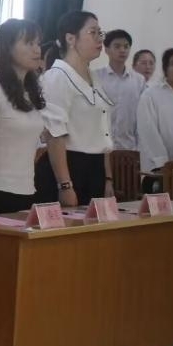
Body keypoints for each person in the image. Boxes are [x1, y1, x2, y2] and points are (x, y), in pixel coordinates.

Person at [36, 11, 112, 207]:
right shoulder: (57, 77)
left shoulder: (93, 77)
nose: (99, 39)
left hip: (94, 167)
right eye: (92, 32)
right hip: (70, 167)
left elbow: (101, 132)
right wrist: (65, 185)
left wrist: (107, 179)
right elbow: (55, 135)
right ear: (71, 38)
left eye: (100, 33)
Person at [0, 19, 47, 215]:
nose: (37, 49)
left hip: (26, 188)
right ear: (8, 47)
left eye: (38, 43)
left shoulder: (31, 91)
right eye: (29, 43)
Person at [95, 29, 148, 151]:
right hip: (100, 147)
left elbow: (143, 117)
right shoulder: (96, 77)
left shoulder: (139, 81)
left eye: (126, 46)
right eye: (117, 46)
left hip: (129, 148)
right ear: (107, 50)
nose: (122, 50)